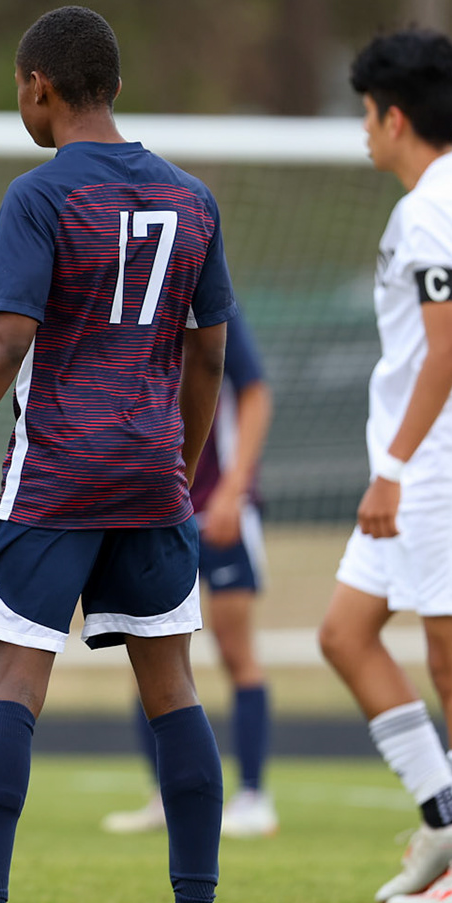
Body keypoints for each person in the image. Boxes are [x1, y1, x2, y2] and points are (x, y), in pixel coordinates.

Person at [0, 6, 238, 903]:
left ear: (36, 86)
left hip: (55, 475)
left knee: (16, 682)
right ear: (117, 88)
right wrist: (177, 462)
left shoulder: (40, 197)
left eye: (21, 88)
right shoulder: (194, 201)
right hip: (150, 479)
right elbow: (207, 355)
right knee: (172, 690)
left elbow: (8, 339)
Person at [315, 28, 452, 903]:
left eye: (366, 115)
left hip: (440, 469)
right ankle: (445, 817)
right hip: (447, 461)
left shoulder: (436, 210)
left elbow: (446, 351)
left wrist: (394, 468)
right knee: (344, 633)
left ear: (394, 117)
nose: (363, 131)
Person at [105, 310, 277, 839]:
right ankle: (165, 793)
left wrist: (235, 488)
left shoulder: (215, 310)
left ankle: (253, 796)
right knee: (148, 647)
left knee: (235, 650)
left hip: (218, 511)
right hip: (155, 507)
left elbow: (255, 391)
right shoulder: (127, 308)